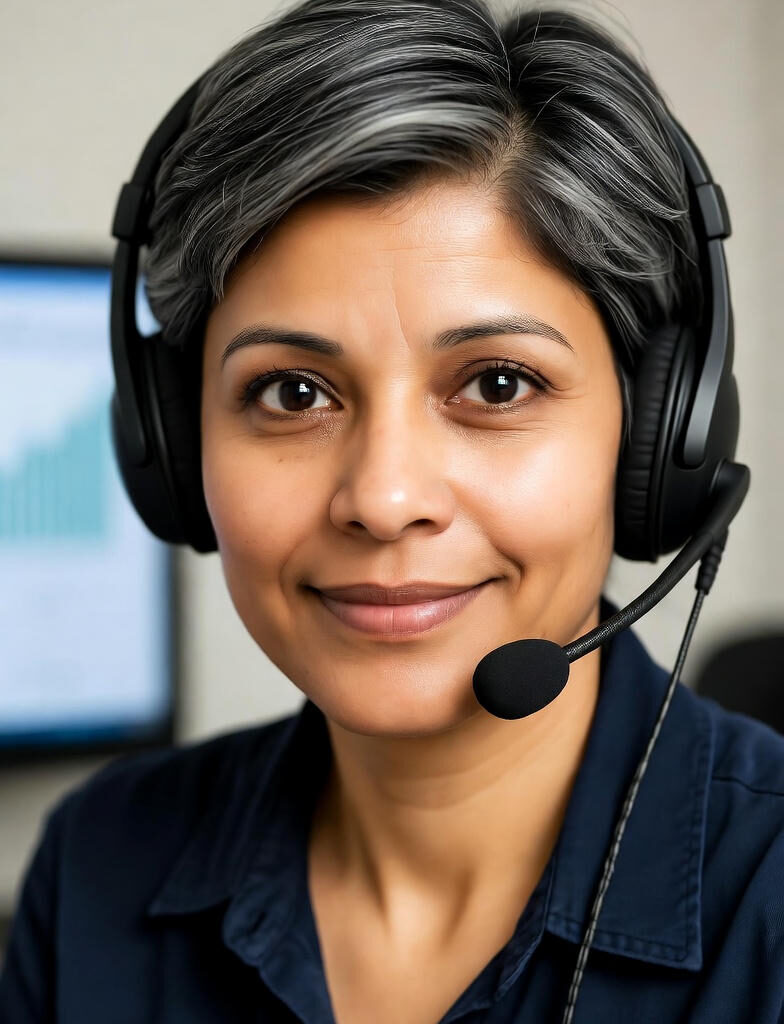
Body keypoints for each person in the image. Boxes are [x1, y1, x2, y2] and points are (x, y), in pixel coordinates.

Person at [1, 1, 783, 1021]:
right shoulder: (97, 867)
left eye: (497, 385)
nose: (383, 498)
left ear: (657, 439)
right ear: (172, 446)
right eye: (291, 392)